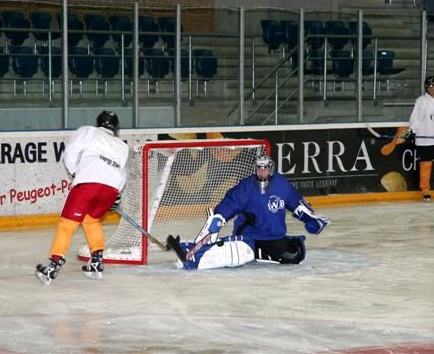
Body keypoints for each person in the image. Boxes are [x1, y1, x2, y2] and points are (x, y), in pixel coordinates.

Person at [167, 154, 330, 270]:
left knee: (295, 256)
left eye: (265, 168)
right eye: (259, 168)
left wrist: (312, 219)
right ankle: (191, 253)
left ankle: (258, 252)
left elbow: (296, 202)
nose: (262, 171)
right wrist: (220, 216)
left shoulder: (281, 184)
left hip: (274, 237)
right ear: (255, 169)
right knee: (241, 253)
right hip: (250, 235)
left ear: (271, 168)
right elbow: (231, 202)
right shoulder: (246, 187)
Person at [35, 111, 130, 284]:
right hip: (110, 189)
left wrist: (75, 173)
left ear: (98, 122)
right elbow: (121, 173)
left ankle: (52, 267)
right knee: (91, 220)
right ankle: (96, 263)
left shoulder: (88, 131)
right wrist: (115, 194)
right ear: (115, 127)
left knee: (66, 225)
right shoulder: (122, 146)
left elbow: (70, 152)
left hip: (88, 185)